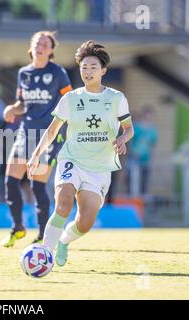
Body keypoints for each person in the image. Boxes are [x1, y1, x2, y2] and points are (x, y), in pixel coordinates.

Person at [27, 40, 134, 267]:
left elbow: (129, 129)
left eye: (93, 67)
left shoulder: (116, 99)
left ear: (103, 70)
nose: (88, 71)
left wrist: (122, 139)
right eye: (84, 67)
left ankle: (64, 241)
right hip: (72, 160)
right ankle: (44, 254)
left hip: (100, 168)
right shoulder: (71, 99)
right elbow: (53, 129)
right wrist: (37, 154)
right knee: (63, 204)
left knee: (85, 222)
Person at [1, 31, 73, 247]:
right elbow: (23, 103)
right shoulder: (24, 73)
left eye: (44, 43)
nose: (40, 46)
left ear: (51, 50)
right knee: (10, 180)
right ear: (30, 48)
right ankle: (17, 228)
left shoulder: (58, 72)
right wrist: (13, 108)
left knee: (37, 185)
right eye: (36, 43)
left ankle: (43, 235)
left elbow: (69, 99)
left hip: (49, 134)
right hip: (26, 131)